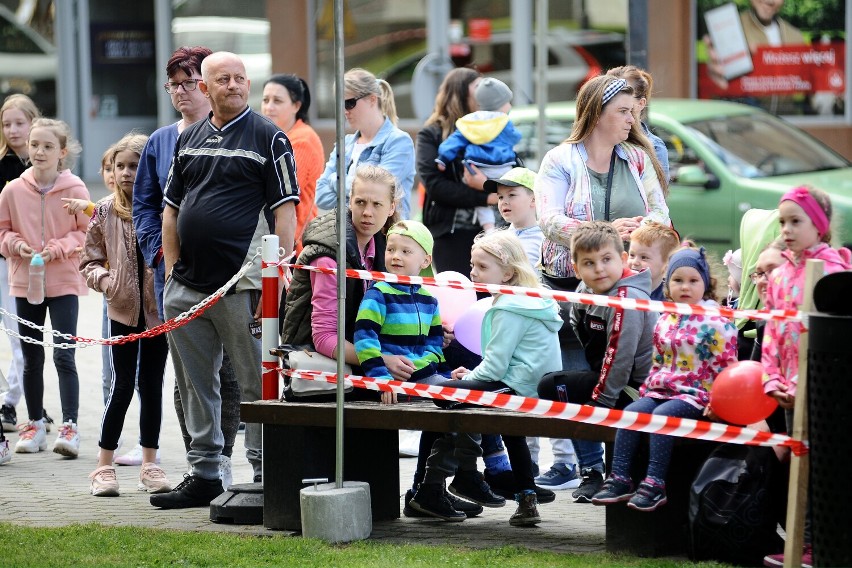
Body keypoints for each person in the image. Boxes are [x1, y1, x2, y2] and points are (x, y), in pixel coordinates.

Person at [151, 51, 299, 509]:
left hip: (244, 288)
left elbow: (285, 213)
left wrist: (272, 278)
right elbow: (171, 207)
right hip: (187, 288)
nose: (233, 85)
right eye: (222, 79)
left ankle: (263, 474)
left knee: (257, 383)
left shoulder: (270, 138)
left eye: (239, 78)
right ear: (204, 87)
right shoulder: (189, 138)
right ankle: (206, 473)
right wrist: (172, 272)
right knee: (195, 383)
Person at [132, 46, 240, 488]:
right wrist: (161, 255)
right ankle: (202, 465)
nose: (180, 91)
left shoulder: (242, 134)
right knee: (190, 375)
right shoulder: (161, 141)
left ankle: (227, 457)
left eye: (188, 81)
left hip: (231, 278)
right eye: (173, 84)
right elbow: (145, 204)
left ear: (209, 84)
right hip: (176, 277)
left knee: (230, 373)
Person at [535, 75, 669, 415]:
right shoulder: (559, 159)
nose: (632, 119)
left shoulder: (637, 157)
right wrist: (606, 233)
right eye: (623, 111)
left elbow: (661, 215)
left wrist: (643, 230)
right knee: (580, 381)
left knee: (619, 384)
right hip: (572, 289)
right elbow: (548, 220)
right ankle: (591, 469)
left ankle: (614, 465)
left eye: (632, 111)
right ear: (596, 114)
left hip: (628, 290)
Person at [410, 230, 563, 526]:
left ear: (507, 273)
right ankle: (522, 498)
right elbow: (500, 365)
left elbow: (494, 368)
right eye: (472, 264)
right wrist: (474, 376)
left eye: (482, 267)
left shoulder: (508, 308)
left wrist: (469, 379)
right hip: (526, 386)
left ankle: (433, 485)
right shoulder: (530, 301)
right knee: (497, 423)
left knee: (445, 396)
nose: (473, 272)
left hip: (517, 388)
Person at [591, 245, 738, 511]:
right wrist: (647, 391)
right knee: (631, 412)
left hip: (697, 395)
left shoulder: (717, 321)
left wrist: (719, 401)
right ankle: (620, 477)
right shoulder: (666, 318)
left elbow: (728, 366)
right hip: (662, 391)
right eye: (678, 280)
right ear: (668, 284)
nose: (685, 287)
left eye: (693, 281)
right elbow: (658, 362)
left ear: (705, 284)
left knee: (663, 418)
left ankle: (655, 483)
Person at [760, 186, 850, 568]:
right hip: (786, 390)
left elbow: (828, 342)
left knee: (818, 469)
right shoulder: (780, 275)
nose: (787, 230)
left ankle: (815, 544)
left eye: (796, 221)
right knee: (795, 466)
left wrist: (802, 384)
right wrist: (772, 379)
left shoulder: (832, 274)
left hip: (820, 390)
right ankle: (798, 539)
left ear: (821, 225)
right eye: (783, 222)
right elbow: (773, 333)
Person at [537, 221, 657, 503]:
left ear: (623, 259)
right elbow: (580, 329)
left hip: (637, 389)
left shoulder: (627, 299)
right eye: (589, 263)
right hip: (611, 381)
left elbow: (620, 356)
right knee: (552, 386)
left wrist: (600, 403)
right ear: (577, 269)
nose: (599, 269)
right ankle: (592, 470)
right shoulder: (586, 291)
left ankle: (602, 471)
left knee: (555, 387)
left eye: (606, 260)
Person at [80, 133, 171, 497]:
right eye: (120, 166)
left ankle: (150, 463)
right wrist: (105, 280)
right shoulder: (104, 211)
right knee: (120, 388)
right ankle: (103, 466)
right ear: (111, 171)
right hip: (121, 310)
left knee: (152, 386)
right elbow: (88, 258)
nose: (127, 173)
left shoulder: (164, 209)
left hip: (158, 314)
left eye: (134, 166)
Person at [482, 167, 580, 489]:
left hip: (540, 330)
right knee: (522, 395)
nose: (505, 202)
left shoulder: (546, 238)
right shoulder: (503, 238)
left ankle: (565, 462)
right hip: (513, 328)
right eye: (500, 196)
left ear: (534, 199)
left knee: (548, 392)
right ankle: (532, 462)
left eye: (513, 195)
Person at [0, 118, 89, 457]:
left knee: (64, 355)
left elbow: (85, 233)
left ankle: (70, 426)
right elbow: (2, 230)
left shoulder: (76, 188)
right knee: (30, 356)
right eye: (35, 145)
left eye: (48, 146)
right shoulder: (12, 190)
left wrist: (58, 247)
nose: (39, 151)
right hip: (25, 283)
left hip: (64, 280)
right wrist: (16, 244)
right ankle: (34, 424)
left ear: (62, 152)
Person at [282, 165, 400, 379]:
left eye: (377, 204)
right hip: (323, 372)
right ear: (350, 201)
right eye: (360, 202)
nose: (367, 212)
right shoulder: (328, 255)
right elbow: (324, 338)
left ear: (391, 208)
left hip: (365, 361)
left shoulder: (389, 247)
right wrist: (381, 360)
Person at [354, 219, 450, 395]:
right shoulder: (378, 294)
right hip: (391, 381)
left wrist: (446, 376)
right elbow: (364, 340)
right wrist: (382, 382)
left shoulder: (430, 300)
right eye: (390, 249)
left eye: (406, 251)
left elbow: (435, 347)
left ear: (426, 261)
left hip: (425, 378)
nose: (396, 256)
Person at [419, 68, 499, 275]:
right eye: (477, 87)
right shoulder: (432, 134)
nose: (483, 92)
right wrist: (486, 197)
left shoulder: (493, 127)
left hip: (494, 230)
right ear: (460, 93)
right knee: (457, 294)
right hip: (451, 232)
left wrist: (488, 189)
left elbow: (515, 172)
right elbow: (435, 185)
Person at [314, 68, 415, 219]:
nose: (344, 111)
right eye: (340, 104)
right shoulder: (345, 143)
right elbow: (321, 197)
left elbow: (374, 191)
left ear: (372, 99)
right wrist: (356, 191)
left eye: (349, 103)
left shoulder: (399, 142)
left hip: (385, 237)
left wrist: (334, 180)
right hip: (349, 237)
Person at [0, 94, 40, 432]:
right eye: (6, 124)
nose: (13, 130)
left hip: (38, 265)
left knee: (23, 336)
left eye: (19, 123)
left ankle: (16, 401)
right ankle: (9, 399)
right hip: (5, 259)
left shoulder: (45, 166)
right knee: (14, 334)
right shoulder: (2, 167)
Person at [436, 77, 520, 232]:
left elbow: (455, 140)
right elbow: (514, 137)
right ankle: (513, 226)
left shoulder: (471, 121)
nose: (509, 106)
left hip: (477, 167)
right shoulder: (504, 121)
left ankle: (488, 227)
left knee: (480, 200)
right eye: (508, 102)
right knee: (510, 194)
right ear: (500, 104)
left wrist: (442, 158)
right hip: (503, 167)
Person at [262, 74, 324, 252]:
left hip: (293, 248)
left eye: (277, 101)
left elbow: (280, 192)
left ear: (296, 105)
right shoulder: (276, 136)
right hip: (274, 241)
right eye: (265, 100)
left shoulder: (302, 140)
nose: (269, 107)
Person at [606, 66, 670, 181]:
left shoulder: (654, 147)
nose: (616, 102)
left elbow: (656, 196)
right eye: (609, 96)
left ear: (641, 103)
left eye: (626, 94)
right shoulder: (597, 140)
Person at [627, 221, 681, 301]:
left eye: (644, 257)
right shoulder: (620, 289)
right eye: (632, 255)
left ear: (666, 266)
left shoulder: (671, 298)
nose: (635, 262)